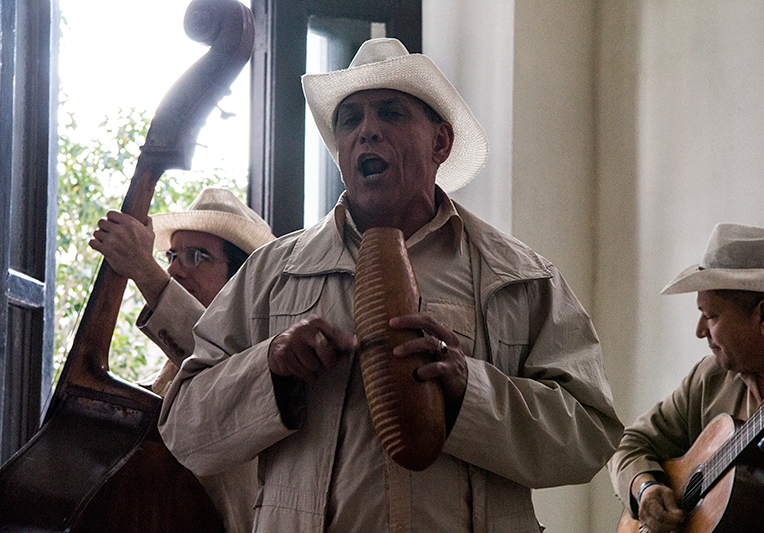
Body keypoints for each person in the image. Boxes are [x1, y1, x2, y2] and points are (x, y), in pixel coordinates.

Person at [159, 38, 623, 532]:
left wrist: (472, 389)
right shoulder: (272, 274)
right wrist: (270, 368)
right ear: (339, 149)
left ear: (440, 142)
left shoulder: (521, 278)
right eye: (349, 120)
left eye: (391, 113)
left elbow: (590, 435)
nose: (367, 132)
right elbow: (184, 430)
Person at [89, 187, 275, 533]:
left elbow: (214, 358)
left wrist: (146, 271)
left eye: (197, 256)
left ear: (239, 280)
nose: (174, 270)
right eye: (172, 256)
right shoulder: (171, 365)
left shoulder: (259, 348)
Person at [608, 223, 764, 533]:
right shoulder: (710, 378)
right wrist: (645, 488)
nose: (700, 331)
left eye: (711, 316)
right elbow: (630, 443)